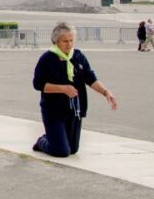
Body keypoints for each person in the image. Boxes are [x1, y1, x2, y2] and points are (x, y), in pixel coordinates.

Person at [32, 22, 117, 157]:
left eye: (71, 40)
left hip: (74, 111)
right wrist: (62, 88)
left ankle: (53, 137)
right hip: (54, 111)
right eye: (65, 41)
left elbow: (91, 78)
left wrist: (106, 92)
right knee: (61, 151)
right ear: (56, 41)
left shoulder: (78, 56)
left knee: (73, 149)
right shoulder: (47, 59)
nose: (69, 44)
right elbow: (38, 84)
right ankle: (42, 141)